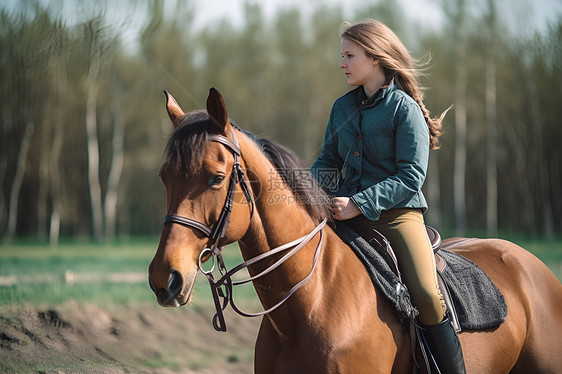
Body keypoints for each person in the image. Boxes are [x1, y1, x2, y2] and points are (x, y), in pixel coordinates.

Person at [310, 19, 465, 373]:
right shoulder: (341, 108)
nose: (342, 63)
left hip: (397, 216)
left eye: (350, 55)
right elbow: (329, 161)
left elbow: (411, 176)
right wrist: (303, 190)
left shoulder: (404, 109)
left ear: (376, 57)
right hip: (342, 212)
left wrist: (359, 204)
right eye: (342, 56)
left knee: (426, 293)